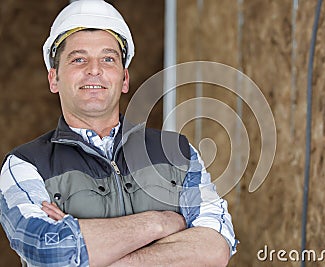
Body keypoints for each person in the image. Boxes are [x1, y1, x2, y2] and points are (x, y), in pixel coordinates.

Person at [0, 0, 237, 266]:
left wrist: (89, 244)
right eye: (78, 59)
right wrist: (160, 223)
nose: (94, 70)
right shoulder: (24, 165)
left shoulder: (177, 152)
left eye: (108, 59)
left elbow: (215, 247)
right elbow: (46, 248)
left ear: (124, 79)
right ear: (54, 78)